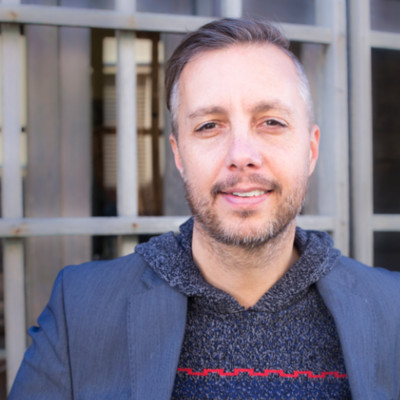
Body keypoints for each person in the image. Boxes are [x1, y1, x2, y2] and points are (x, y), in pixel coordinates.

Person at [9, 17, 400, 400]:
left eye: (271, 122)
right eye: (209, 126)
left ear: (311, 150)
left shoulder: (393, 311)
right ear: (179, 154)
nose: (242, 155)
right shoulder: (81, 310)